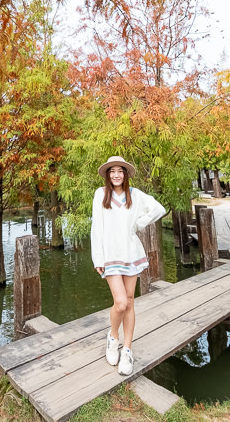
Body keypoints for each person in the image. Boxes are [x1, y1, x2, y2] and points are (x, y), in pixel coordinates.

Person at [90, 155, 167, 376]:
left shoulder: (135, 195)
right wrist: (98, 258)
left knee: (131, 301)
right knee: (121, 302)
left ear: (125, 174)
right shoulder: (100, 195)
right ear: (107, 174)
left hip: (131, 253)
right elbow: (97, 228)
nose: (116, 174)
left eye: (120, 171)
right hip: (110, 256)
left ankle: (127, 349)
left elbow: (158, 209)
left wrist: (138, 223)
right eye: (112, 171)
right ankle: (113, 337)